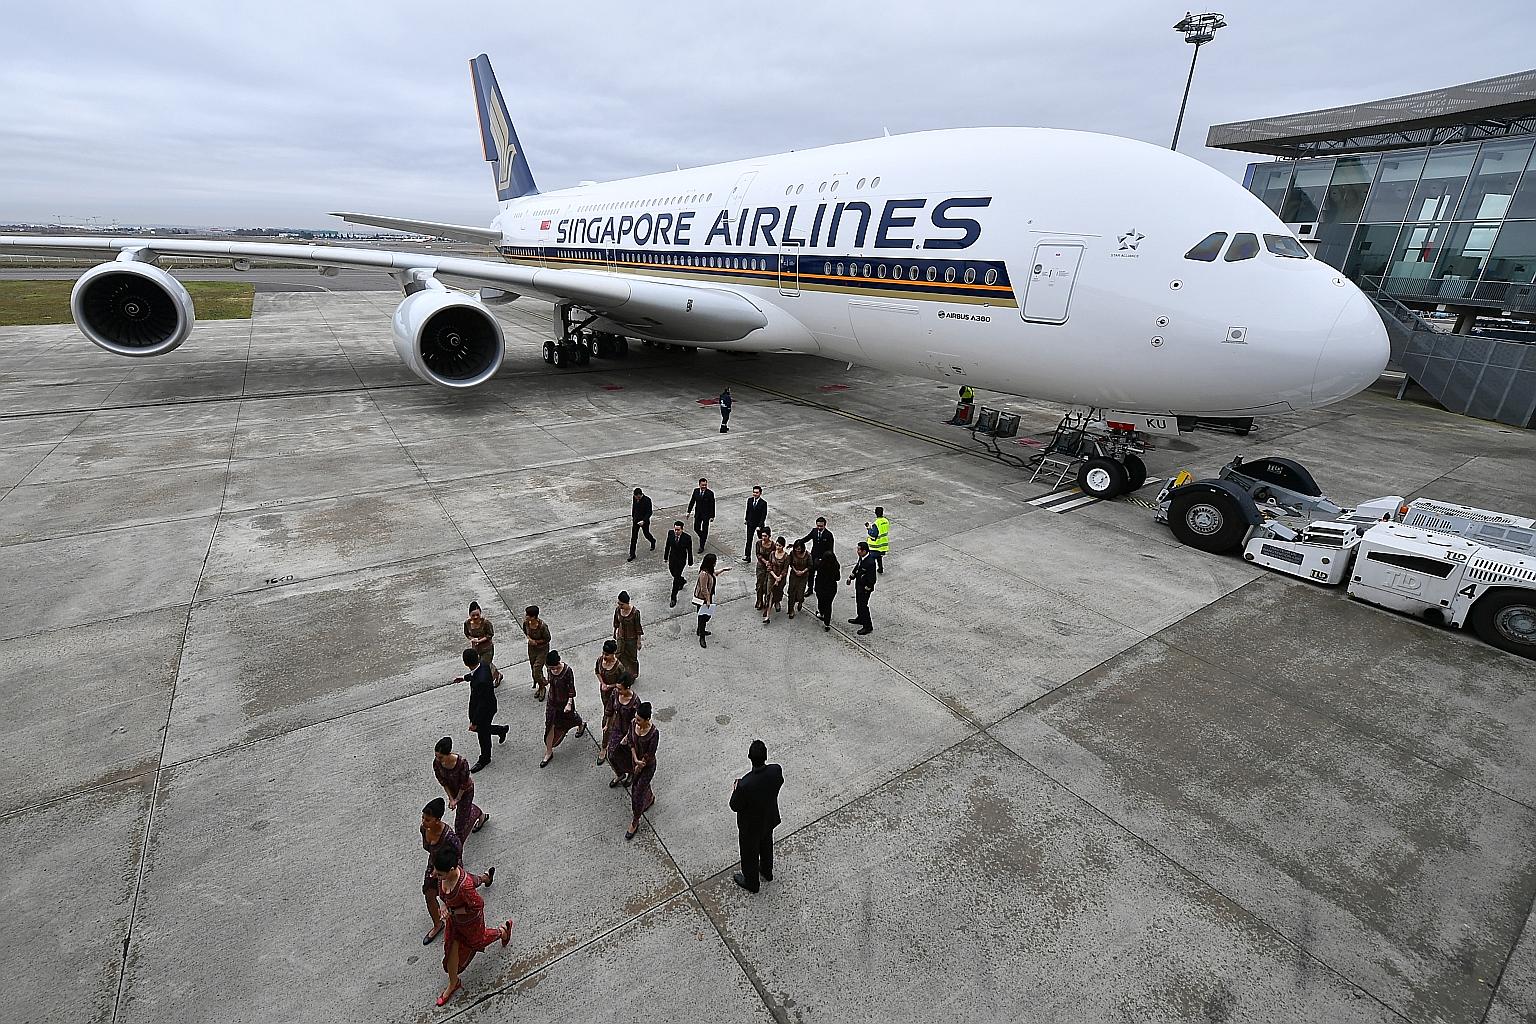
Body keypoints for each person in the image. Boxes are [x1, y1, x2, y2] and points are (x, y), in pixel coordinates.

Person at [432, 845, 512, 1007]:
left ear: (452, 870)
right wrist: (445, 907)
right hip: (455, 923)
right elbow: (445, 899)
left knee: (478, 941)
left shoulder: (465, 886)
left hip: (470, 923)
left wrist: (452, 911)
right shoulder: (445, 876)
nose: (435, 875)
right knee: (451, 949)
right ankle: (453, 983)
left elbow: (478, 905)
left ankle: (502, 932)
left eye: (439, 874)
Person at [419, 798, 494, 946]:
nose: (423, 822)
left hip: (449, 867)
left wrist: (447, 872)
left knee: (466, 885)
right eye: (422, 818)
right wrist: (435, 869)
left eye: (427, 819)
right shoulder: (424, 829)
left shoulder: (449, 837)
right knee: (429, 893)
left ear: (437, 820)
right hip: (434, 864)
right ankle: (437, 924)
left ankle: (485, 878)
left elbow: (457, 853)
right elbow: (428, 848)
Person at [730, 739, 784, 893]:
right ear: (766, 756)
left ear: (749, 757)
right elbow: (779, 782)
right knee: (766, 844)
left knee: (749, 854)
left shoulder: (744, 785)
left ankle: (751, 882)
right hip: (768, 819)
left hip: (750, 827)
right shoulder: (776, 770)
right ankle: (767, 871)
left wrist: (736, 789)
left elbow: (734, 806)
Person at [454, 648, 508, 772]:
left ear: (465, 663)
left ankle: (485, 758)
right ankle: (501, 730)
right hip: (489, 706)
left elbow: (482, 705)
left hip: (485, 710)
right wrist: (464, 678)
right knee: (483, 729)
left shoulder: (481, 681)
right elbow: (474, 674)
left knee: (482, 734)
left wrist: (474, 722)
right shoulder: (483, 665)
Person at [432, 736, 488, 844]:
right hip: (453, 792)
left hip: (466, 792)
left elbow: (464, 784)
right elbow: (443, 782)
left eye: (441, 757)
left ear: (448, 754)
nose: (438, 760)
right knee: (465, 809)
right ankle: (481, 815)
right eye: (436, 756)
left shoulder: (462, 763)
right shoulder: (437, 763)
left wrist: (457, 799)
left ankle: (458, 845)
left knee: (460, 824)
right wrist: (451, 798)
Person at [539, 650, 586, 767]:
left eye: (555, 667)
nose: (553, 670)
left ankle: (581, 724)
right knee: (550, 724)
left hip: (564, 703)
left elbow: (571, 688)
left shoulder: (567, 671)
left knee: (571, 719)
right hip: (552, 703)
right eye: (551, 668)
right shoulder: (549, 668)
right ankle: (549, 751)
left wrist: (569, 703)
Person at [623, 701, 659, 840]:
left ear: (647, 719)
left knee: (637, 793)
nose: (636, 721)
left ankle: (635, 820)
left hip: (647, 766)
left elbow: (650, 754)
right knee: (640, 787)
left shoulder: (654, 733)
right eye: (636, 718)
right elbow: (631, 741)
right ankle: (649, 798)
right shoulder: (633, 723)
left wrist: (640, 764)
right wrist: (635, 760)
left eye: (639, 720)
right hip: (636, 761)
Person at [594, 640, 626, 764]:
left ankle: (604, 747)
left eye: (607, 654)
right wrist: (602, 683)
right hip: (604, 694)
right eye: (603, 653)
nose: (604, 656)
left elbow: (623, 684)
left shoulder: (619, 667)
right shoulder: (599, 660)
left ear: (613, 654)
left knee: (607, 721)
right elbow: (597, 672)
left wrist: (610, 685)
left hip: (615, 696)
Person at [606, 675, 640, 788]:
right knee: (610, 754)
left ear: (628, 687)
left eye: (621, 688)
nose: (618, 691)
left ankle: (630, 773)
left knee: (627, 755)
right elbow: (610, 709)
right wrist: (607, 724)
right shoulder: (615, 693)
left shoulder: (635, 702)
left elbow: (636, 722)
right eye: (617, 687)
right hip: (617, 728)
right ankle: (620, 774)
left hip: (629, 733)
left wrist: (627, 737)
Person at [694, 553, 729, 648]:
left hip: (708, 597)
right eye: (714, 562)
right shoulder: (704, 573)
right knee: (703, 617)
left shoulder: (709, 571)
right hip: (702, 599)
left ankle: (700, 630)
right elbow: (703, 588)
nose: (715, 563)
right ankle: (701, 636)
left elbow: (714, 574)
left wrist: (723, 570)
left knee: (705, 616)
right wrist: (708, 600)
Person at [462, 602, 502, 686]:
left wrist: (479, 640)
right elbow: (467, 634)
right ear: (469, 615)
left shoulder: (486, 623)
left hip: (487, 648)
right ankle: (498, 674)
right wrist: (472, 639)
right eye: (473, 615)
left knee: (484, 666)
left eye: (477, 614)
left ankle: (492, 679)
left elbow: (490, 635)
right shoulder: (467, 623)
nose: (475, 617)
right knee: (483, 664)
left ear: (480, 613)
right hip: (476, 649)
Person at [797, 516, 835, 593]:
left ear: (825, 525)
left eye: (821, 526)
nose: (819, 527)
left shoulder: (828, 535)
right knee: (810, 574)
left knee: (821, 575)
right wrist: (797, 543)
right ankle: (810, 589)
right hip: (813, 556)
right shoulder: (814, 531)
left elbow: (830, 549)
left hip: (823, 558)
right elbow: (807, 538)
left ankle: (820, 589)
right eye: (818, 526)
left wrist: (827, 559)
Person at [847, 541, 877, 635]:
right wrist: (851, 577)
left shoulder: (870, 562)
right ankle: (860, 618)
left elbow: (872, 579)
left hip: (865, 589)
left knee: (863, 606)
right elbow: (857, 568)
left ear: (864, 551)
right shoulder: (862, 558)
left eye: (859, 549)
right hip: (859, 585)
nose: (857, 551)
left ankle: (868, 626)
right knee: (858, 603)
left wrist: (867, 589)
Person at [521, 605, 551, 701]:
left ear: (533, 617)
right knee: (533, 666)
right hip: (531, 649)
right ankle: (540, 685)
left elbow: (547, 638)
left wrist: (536, 642)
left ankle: (543, 686)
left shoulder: (542, 626)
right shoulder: (526, 623)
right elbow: (525, 631)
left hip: (542, 650)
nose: (525, 616)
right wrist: (530, 639)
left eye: (527, 615)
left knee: (536, 669)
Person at [663, 520, 694, 607]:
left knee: (675, 579)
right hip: (672, 558)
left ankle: (673, 598)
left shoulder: (687, 538)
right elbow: (667, 545)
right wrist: (665, 557)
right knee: (673, 573)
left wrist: (690, 561)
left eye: (678, 530)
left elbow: (689, 550)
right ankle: (682, 581)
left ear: (682, 529)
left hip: (681, 561)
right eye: (675, 529)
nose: (676, 531)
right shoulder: (670, 534)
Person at [612, 591, 643, 678]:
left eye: (622, 604)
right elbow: (616, 621)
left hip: (631, 639)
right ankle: (623, 672)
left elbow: (638, 628)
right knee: (619, 654)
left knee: (632, 657)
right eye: (619, 604)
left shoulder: (635, 613)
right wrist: (615, 632)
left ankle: (633, 673)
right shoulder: (618, 610)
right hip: (621, 637)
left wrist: (639, 641)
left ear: (627, 603)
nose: (620, 606)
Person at [764, 536, 789, 624]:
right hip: (772, 576)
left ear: (783, 546)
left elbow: (785, 569)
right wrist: (775, 577)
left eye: (780, 546)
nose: (778, 547)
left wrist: (779, 578)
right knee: (769, 593)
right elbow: (769, 566)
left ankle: (777, 602)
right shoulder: (772, 554)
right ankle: (767, 614)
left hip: (781, 578)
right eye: (777, 545)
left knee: (778, 592)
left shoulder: (786, 556)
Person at [814, 549, 840, 632]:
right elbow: (837, 578)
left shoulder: (820, 565)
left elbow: (815, 563)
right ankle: (827, 623)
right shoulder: (836, 566)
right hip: (831, 588)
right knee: (828, 605)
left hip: (820, 587)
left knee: (821, 601)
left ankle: (821, 613)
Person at [786, 539, 812, 619]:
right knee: (791, 592)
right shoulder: (792, 553)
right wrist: (795, 570)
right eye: (796, 549)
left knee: (800, 592)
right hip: (794, 574)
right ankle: (791, 610)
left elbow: (810, 566)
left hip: (803, 576)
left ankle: (800, 601)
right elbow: (790, 563)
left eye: (799, 549)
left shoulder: (808, 555)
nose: (797, 551)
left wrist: (803, 571)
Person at [687, 477, 715, 548]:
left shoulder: (710, 493)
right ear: (699, 485)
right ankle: (703, 537)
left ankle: (702, 546)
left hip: (706, 515)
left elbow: (712, 505)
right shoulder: (696, 491)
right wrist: (688, 511)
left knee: (705, 530)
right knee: (696, 528)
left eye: (705, 485)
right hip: (698, 514)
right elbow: (692, 501)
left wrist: (712, 516)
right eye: (703, 485)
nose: (704, 487)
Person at [628, 487, 655, 562]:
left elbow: (649, 512)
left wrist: (644, 521)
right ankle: (632, 554)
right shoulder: (634, 498)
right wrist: (633, 517)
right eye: (635, 497)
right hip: (636, 521)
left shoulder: (647, 500)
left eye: (637, 497)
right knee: (634, 537)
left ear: (640, 495)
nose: (636, 498)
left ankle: (653, 541)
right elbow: (634, 508)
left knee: (646, 534)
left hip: (644, 521)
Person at [743, 485, 768, 562]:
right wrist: (746, 519)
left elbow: (763, 515)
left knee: (762, 540)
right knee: (749, 539)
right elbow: (748, 510)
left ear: (760, 493)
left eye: (757, 493)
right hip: (750, 523)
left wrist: (760, 525)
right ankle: (747, 556)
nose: (755, 494)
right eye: (754, 492)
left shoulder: (763, 503)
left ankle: (764, 555)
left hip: (758, 525)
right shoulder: (750, 500)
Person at [753, 527, 774, 612]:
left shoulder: (773, 545)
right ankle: (759, 601)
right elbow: (758, 554)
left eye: (765, 536)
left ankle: (766, 601)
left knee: (767, 585)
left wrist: (769, 564)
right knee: (759, 584)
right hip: (761, 566)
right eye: (762, 536)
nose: (763, 538)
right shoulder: (758, 543)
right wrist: (765, 561)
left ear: (769, 536)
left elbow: (774, 556)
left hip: (769, 567)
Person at [865, 506, 890, 574]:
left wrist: (869, 528)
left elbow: (873, 534)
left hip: (876, 545)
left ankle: (872, 572)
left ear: (875, 513)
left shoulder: (876, 523)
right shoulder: (886, 521)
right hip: (883, 545)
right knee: (879, 557)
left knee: (872, 559)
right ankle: (880, 568)